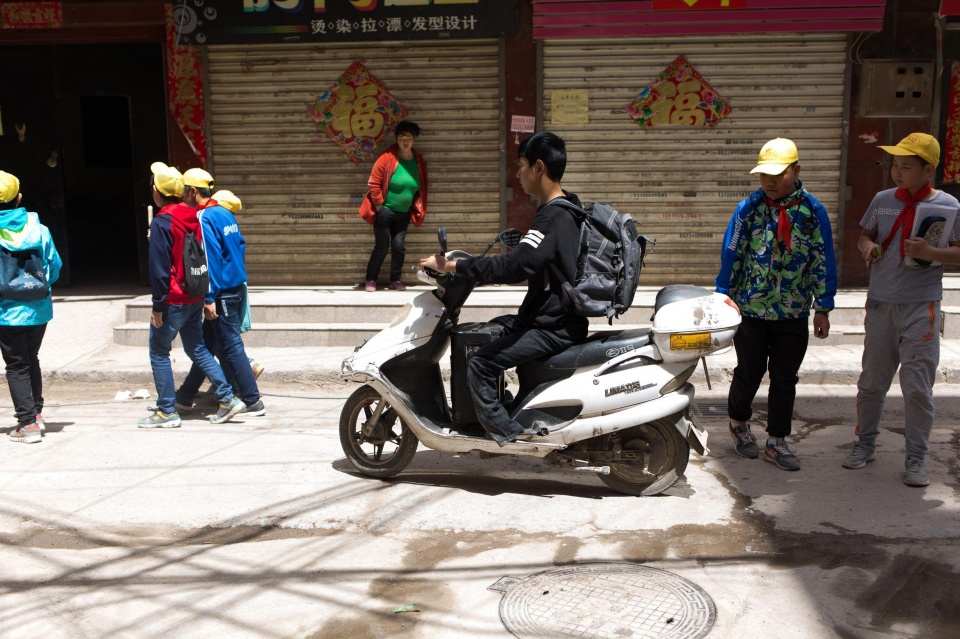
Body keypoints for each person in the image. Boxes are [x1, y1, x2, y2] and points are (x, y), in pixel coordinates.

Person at [418, 131, 587, 446]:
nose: (517, 174)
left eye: (521, 165)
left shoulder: (552, 216)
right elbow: (535, 254)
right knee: (491, 329)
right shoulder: (569, 209)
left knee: (479, 362)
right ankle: (512, 405)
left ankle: (508, 436)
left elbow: (514, 267)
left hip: (552, 326)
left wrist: (451, 265)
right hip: (550, 317)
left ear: (539, 168)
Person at [842, 133, 960, 487]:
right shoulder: (882, 200)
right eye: (895, 164)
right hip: (881, 303)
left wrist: (932, 254)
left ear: (929, 170)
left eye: (906, 166)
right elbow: (865, 235)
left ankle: (916, 457)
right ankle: (864, 444)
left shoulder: (949, 206)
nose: (897, 172)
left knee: (918, 388)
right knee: (871, 383)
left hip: (921, 306)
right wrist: (867, 247)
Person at [716, 138, 837, 471]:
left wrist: (823, 307)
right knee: (748, 373)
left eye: (777, 174)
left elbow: (822, 259)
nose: (769, 182)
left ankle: (777, 441)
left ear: (796, 171)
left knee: (785, 378)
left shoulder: (813, 211)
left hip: (793, 312)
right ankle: (739, 425)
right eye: (763, 175)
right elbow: (731, 252)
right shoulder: (749, 208)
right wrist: (722, 295)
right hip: (751, 309)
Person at [139, 162, 244, 428]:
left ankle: (166, 410)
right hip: (193, 295)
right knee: (196, 348)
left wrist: (158, 305)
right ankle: (227, 398)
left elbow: (160, 268)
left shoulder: (163, 222)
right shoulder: (193, 216)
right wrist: (206, 296)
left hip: (173, 298)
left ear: (156, 192)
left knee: (159, 352)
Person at [174, 172, 264, 417]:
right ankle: (184, 396)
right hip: (234, 286)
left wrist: (209, 296)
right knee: (206, 345)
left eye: (184, 191)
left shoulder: (205, 216)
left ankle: (252, 400)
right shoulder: (225, 212)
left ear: (193, 191)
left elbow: (210, 258)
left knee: (231, 347)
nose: (182, 196)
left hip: (222, 291)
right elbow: (240, 246)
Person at [0, 171, 61, 444]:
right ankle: (35, 414)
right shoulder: (40, 229)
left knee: (16, 365)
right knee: (31, 359)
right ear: (19, 198)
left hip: (6, 312)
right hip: (38, 310)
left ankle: (27, 424)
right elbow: (55, 267)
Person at [359, 121, 428, 292]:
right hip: (385, 212)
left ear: (414, 140)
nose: (405, 141)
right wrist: (380, 205)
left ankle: (395, 280)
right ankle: (371, 279)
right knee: (382, 246)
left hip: (404, 213)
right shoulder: (387, 157)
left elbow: (422, 184)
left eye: (409, 138)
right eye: (401, 137)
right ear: (396, 139)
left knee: (399, 246)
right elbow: (374, 182)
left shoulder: (418, 160)